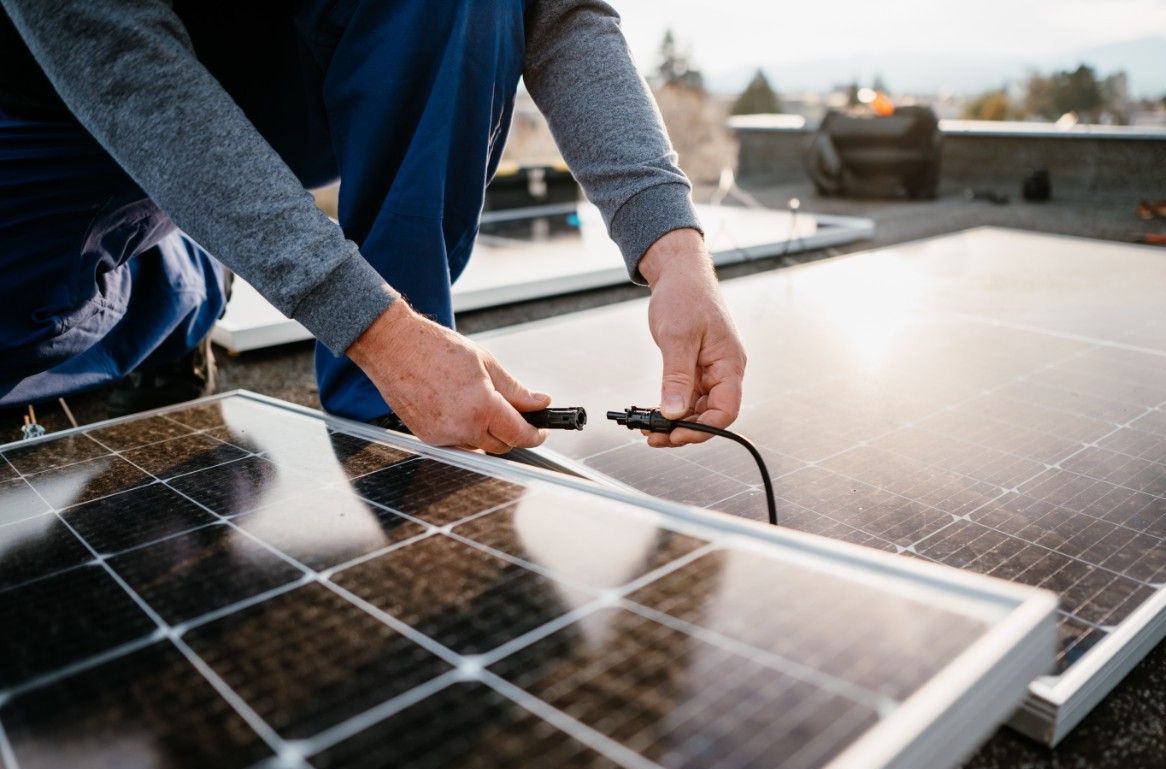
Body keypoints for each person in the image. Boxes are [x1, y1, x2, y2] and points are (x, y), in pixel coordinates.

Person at [0, 0, 746, 453]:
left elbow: (557, 13)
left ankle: (390, 404)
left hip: (273, 66)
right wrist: (363, 318)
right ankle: (184, 278)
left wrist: (676, 253)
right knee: (29, 321)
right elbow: (126, 68)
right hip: (52, 105)